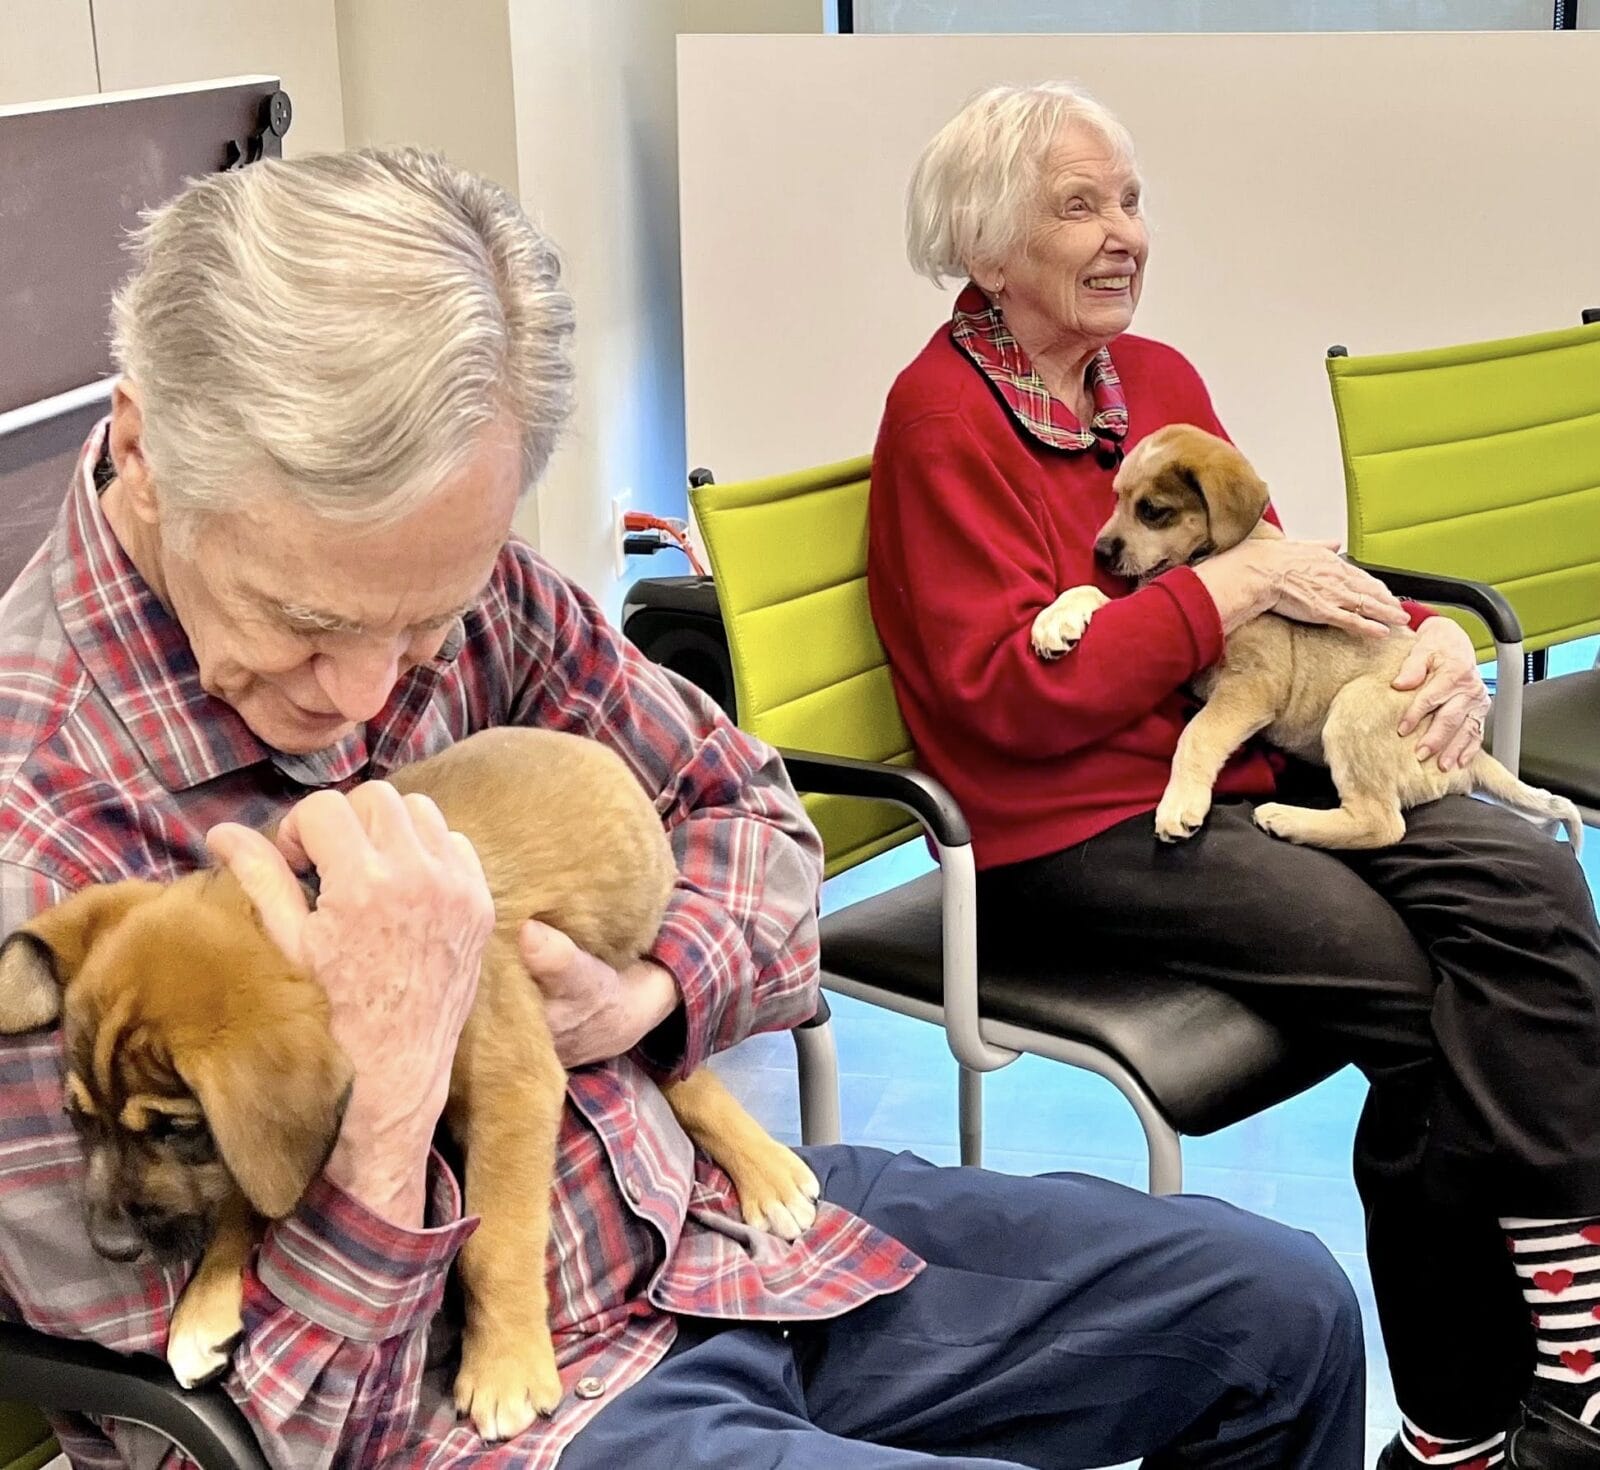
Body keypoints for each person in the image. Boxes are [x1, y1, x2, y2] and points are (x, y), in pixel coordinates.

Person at [0, 147, 1362, 1470]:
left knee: (1284, 1313)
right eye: (302, 622)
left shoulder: (487, 593)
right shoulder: (39, 847)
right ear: (141, 446)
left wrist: (645, 991)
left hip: (705, 1233)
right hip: (481, 1406)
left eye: (419, 630)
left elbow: (758, 818)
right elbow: (218, 1440)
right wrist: (393, 1091)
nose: (362, 696)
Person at [867, 81, 1600, 1470]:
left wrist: (1430, 643)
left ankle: (1571, 1367)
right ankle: (1462, 1429)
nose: (1124, 233)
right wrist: (1231, 586)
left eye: (1130, 199)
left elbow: (1295, 579)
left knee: (1533, 887)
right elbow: (1015, 703)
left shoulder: (1160, 384)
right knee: (1430, 1009)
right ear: (986, 246)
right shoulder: (939, 421)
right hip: (1072, 828)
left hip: (1256, 762)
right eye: (1079, 206)